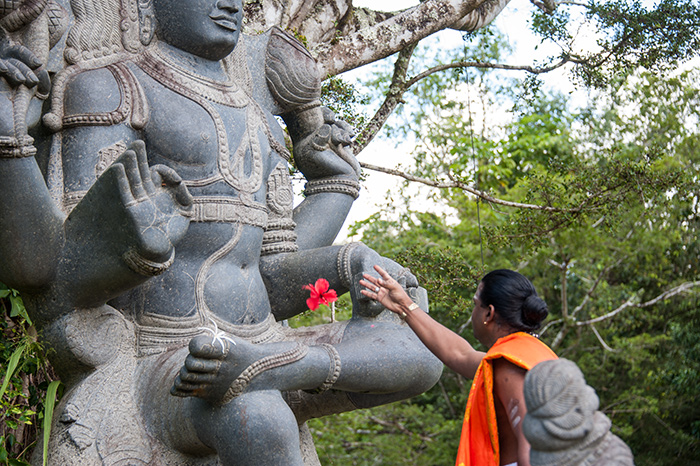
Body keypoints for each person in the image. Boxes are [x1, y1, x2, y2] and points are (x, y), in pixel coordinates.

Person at [0, 0, 443, 464]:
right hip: (167, 356)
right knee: (257, 413)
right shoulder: (113, 88)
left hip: (257, 340)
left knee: (420, 348)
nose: (230, 4)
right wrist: (130, 248)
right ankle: (258, 373)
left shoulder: (260, 121)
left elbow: (269, 275)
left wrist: (349, 261)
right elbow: (54, 280)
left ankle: (265, 367)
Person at [361, 266, 558, 466]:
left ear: (488, 314)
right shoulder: (529, 355)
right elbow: (459, 354)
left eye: (475, 304)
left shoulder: (509, 365)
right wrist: (404, 306)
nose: (472, 312)